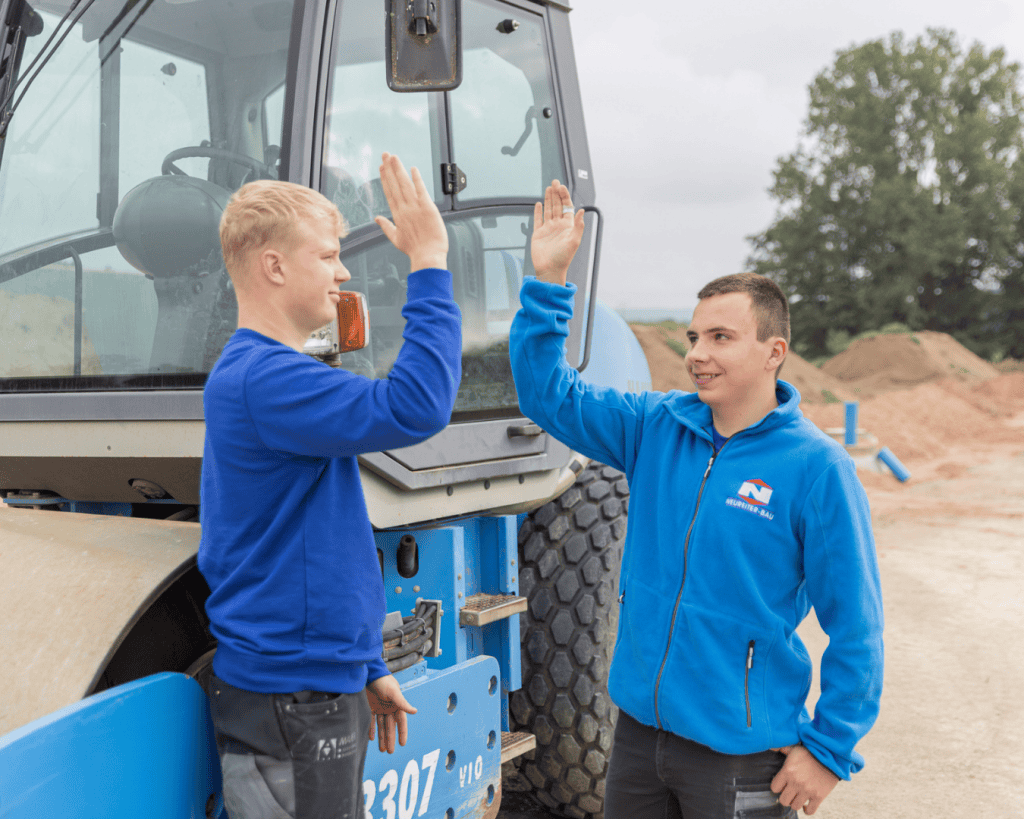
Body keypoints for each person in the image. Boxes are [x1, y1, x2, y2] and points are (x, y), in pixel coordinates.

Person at [509, 181, 883, 817]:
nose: (698, 355)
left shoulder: (817, 468)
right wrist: (548, 279)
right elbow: (547, 395)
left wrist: (829, 749)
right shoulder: (657, 427)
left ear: (774, 353)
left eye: (720, 337)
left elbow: (856, 623)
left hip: (739, 756)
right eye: (692, 337)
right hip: (638, 740)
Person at [198, 154, 462, 819]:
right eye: (329, 255)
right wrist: (429, 260)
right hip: (298, 697)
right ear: (274, 266)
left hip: (309, 684)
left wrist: (362, 663)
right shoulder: (268, 378)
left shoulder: (268, 374)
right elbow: (417, 406)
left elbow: (308, 537)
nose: (343, 272)